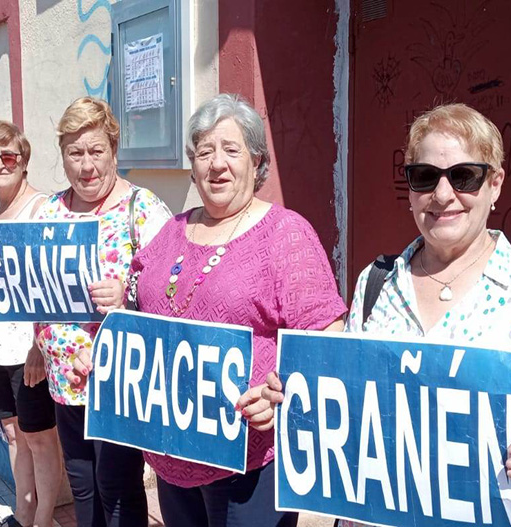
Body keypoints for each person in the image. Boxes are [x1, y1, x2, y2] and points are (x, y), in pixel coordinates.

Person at [262, 103, 511, 527]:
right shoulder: (376, 283)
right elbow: (352, 406)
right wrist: (298, 399)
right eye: (425, 177)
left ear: (495, 185)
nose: (442, 195)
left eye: (464, 176)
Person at [103, 94, 345, 527]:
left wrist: (282, 392)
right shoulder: (174, 230)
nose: (217, 164)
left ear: (256, 163)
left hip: (249, 461)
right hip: (171, 455)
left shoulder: (286, 234)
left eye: (231, 150)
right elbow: (139, 302)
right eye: (204, 152)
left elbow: (328, 337)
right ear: (193, 168)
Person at [0, 97, 171, 527]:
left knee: (117, 485)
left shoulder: (142, 209)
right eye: (75, 153)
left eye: (96, 151)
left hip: (117, 380)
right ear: (62, 156)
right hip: (65, 380)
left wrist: (127, 293)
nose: (86, 165)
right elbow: (32, 287)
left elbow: (171, 292)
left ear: (114, 150)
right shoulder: (52, 210)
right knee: (82, 481)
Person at [0, 121, 62, 527]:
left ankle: (43, 520)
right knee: (12, 433)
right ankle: (22, 514)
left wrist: (40, 344)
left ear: (24, 162)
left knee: (39, 438)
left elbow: (51, 279)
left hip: (26, 345)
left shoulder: (41, 208)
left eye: (8, 156)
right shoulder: (0, 212)